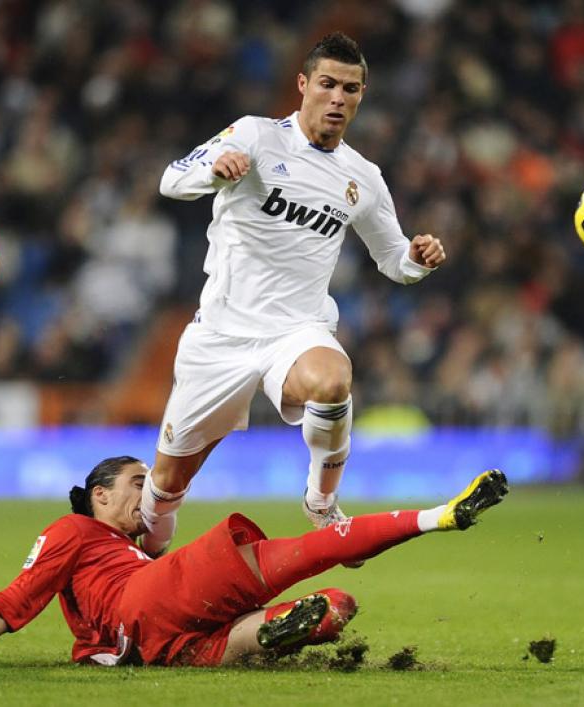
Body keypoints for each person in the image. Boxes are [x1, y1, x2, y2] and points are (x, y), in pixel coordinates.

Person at [142, 32, 447, 557]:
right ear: (303, 84)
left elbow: (392, 258)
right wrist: (213, 170)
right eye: (327, 84)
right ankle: (143, 562)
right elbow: (172, 179)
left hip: (296, 330)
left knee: (332, 380)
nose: (337, 98)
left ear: (362, 95)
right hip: (222, 335)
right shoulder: (255, 136)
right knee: (167, 485)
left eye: (350, 88)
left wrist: (416, 259)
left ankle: (321, 501)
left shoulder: (363, 177)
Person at [0, 458, 508, 668]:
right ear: (100, 496)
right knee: (304, 550)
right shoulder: (74, 529)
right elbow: (15, 600)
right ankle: (439, 516)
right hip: (147, 596)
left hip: (147, 644)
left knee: (335, 609)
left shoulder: (127, 548)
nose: (148, 491)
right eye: (138, 482)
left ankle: (276, 630)